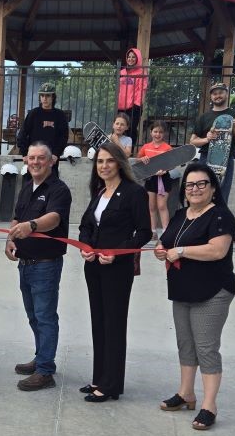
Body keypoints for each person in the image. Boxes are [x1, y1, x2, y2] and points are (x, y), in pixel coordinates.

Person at [154, 162, 235, 431]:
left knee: (206, 348)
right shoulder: (180, 215)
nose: (195, 189)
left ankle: (209, 405)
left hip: (212, 291)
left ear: (213, 188)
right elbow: (166, 241)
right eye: (190, 184)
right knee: (186, 345)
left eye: (202, 183)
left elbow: (217, 251)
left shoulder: (221, 216)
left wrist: (179, 252)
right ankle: (186, 394)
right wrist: (161, 249)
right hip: (182, 290)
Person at [78, 143, 151, 402]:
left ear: (119, 163)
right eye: (100, 162)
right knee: (99, 321)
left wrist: (117, 251)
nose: (104, 166)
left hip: (117, 269)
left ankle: (111, 385)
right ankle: (100, 377)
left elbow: (144, 233)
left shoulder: (133, 193)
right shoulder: (99, 192)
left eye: (109, 161)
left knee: (114, 323)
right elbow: (86, 224)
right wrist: (85, 246)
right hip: (94, 266)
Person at [5, 142, 72, 391]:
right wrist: (10, 239)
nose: (35, 162)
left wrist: (31, 226)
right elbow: (16, 217)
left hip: (46, 265)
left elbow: (54, 219)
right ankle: (41, 356)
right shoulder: (26, 187)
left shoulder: (59, 190)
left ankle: (45, 370)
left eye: (40, 158)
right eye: (31, 158)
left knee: (45, 317)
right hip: (25, 263)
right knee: (34, 316)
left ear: (51, 160)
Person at [189, 82, 235, 202]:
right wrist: (207, 139)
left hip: (226, 160)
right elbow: (193, 141)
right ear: (211, 97)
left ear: (226, 94)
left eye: (220, 92)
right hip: (205, 158)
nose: (217, 96)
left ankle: (219, 219)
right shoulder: (204, 117)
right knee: (202, 192)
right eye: (215, 94)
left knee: (222, 195)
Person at [16, 82, 69, 177]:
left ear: (53, 97)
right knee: (32, 189)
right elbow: (22, 134)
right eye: (42, 95)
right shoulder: (33, 114)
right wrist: (24, 154)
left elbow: (63, 137)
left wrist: (56, 154)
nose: (45, 98)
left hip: (51, 161)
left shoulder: (60, 115)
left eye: (48, 96)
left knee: (51, 189)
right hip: (34, 161)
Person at [137, 120, 174, 235]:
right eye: (155, 131)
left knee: (162, 206)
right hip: (150, 179)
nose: (158, 134)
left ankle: (165, 232)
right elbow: (138, 159)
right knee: (151, 206)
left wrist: (165, 170)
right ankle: (152, 232)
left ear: (164, 134)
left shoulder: (168, 148)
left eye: (160, 132)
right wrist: (142, 159)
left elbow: (173, 163)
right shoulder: (145, 147)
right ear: (151, 132)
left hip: (164, 179)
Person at [117, 48, 148, 150]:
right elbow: (118, 89)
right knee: (120, 128)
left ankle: (129, 151)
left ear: (137, 58)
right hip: (121, 105)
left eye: (133, 57)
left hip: (134, 106)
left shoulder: (141, 72)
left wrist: (138, 104)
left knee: (131, 129)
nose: (130, 59)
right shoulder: (122, 72)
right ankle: (119, 150)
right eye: (129, 57)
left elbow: (141, 89)